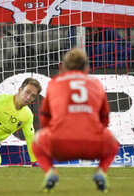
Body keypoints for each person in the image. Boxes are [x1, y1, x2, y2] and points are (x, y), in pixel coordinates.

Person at [32, 48, 120, 192]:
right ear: (87, 67)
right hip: (92, 145)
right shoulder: (96, 84)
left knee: (36, 141)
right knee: (114, 142)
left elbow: (44, 119)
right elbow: (105, 120)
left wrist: (53, 132)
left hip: (59, 145)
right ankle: (101, 171)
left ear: (62, 67)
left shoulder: (54, 83)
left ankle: (50, 171)